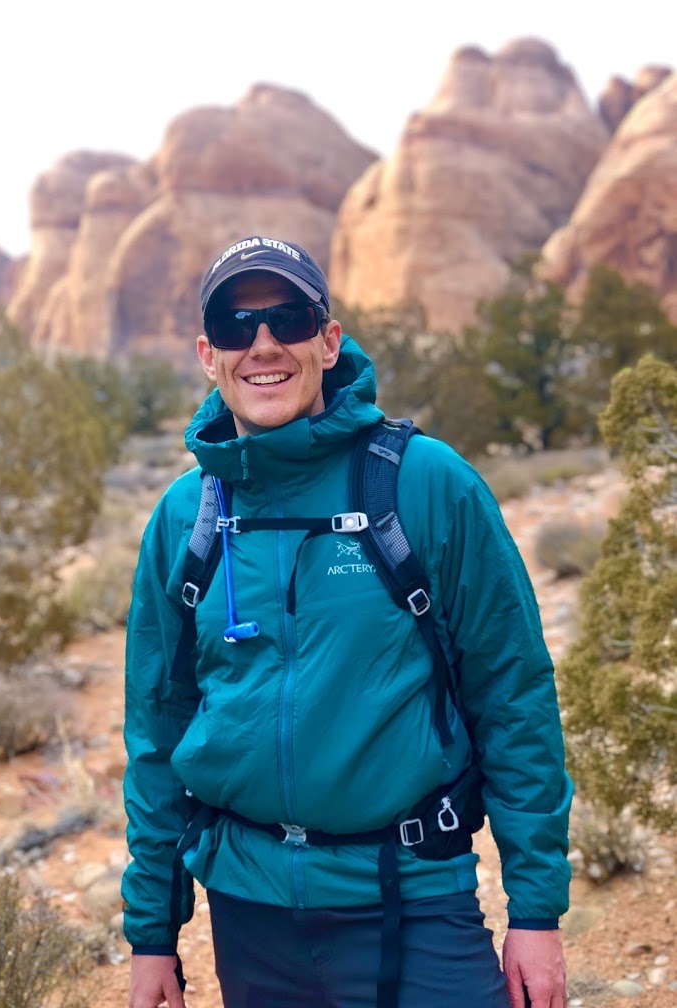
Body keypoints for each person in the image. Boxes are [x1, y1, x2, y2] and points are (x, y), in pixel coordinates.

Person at [122, 235, 573, 1008]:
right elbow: (157, 733)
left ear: (328, 341)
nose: (263, 345)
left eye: (287, 318)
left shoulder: (425, 484)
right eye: (236, 325)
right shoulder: (184, 518)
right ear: (207, 354)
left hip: (414, 898)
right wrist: (153, 933)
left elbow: (513, 694)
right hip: (252, 912)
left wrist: (535, 911)